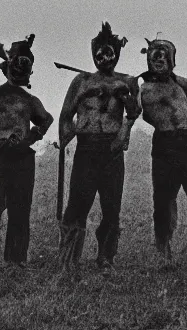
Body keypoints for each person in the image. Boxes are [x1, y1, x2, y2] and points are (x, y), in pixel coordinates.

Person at [0, 32, 54, 277]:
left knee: (20, 211)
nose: (20, 70)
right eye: (17, 63)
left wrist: (30, 138)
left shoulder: (29, 99)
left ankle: (16, 262)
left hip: (22, 159)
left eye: (25, 65)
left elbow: (46, 119)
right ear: (6, 68)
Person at [56, 22, 140, 275]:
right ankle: (68, 260)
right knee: (77, 205)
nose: (104, 58)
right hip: (86, 147)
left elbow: (134, 114)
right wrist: (72, 131)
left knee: (111, 206)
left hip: (112, 149)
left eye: (109, 53)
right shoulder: (81, 82)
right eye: (99, 53)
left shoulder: (127, 81)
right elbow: (64, 116)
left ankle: (106, 258)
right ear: (93, 54)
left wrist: (125, 98)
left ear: (117, 53)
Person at [136, 37, 187, 268]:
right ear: (148, 60)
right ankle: (163, 252)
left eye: (164, 56)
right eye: (154, 56)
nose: (159, 60)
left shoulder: (183, 84)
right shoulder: (142, 89)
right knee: (162, 201)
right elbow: (137, 112)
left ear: (172, 60)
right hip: (164, 144)